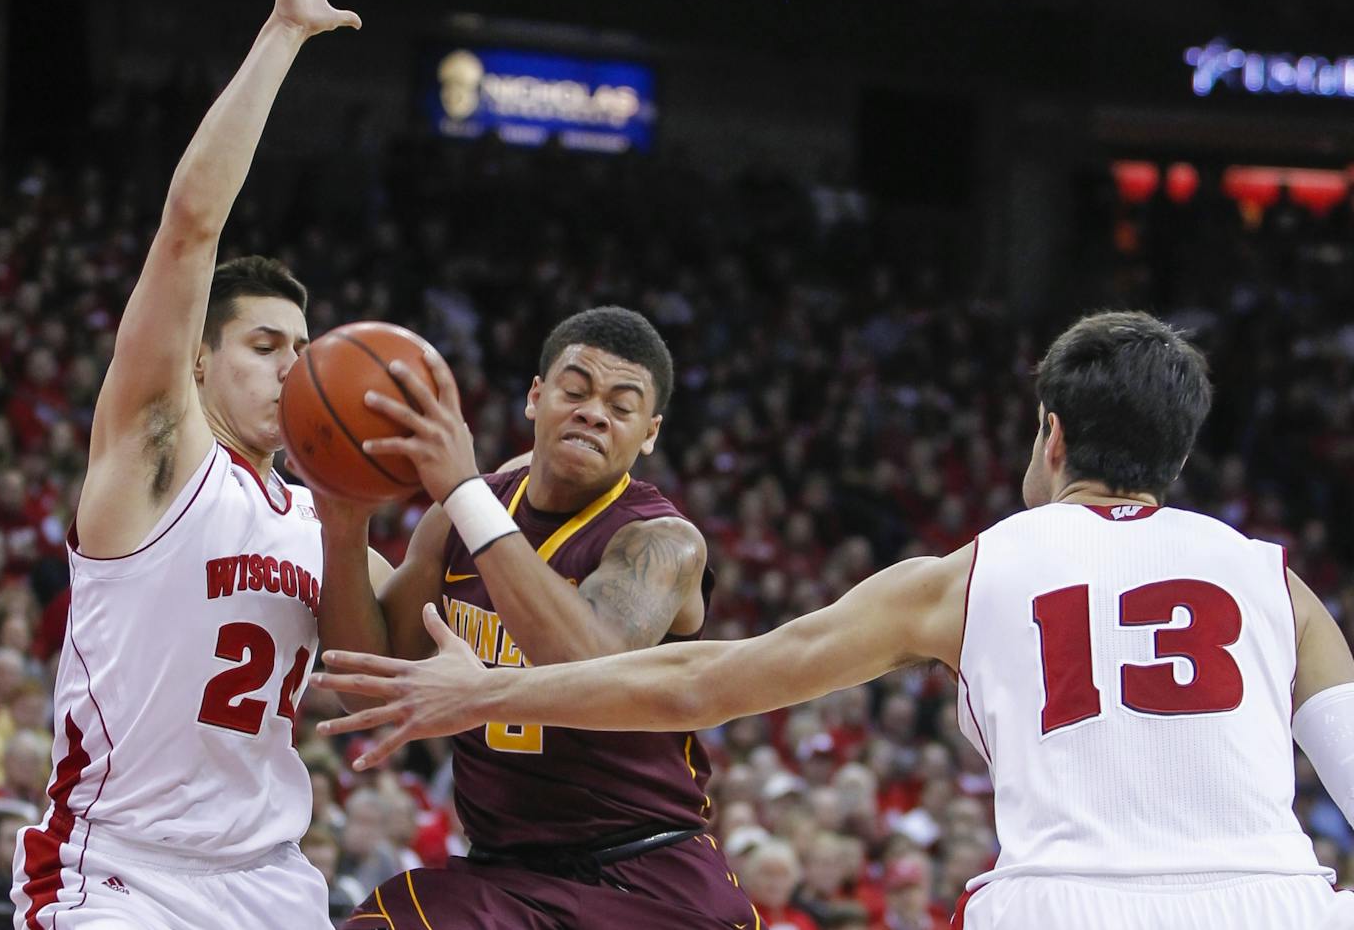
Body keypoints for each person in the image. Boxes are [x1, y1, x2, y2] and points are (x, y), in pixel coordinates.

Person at [315, 310, 1354, 930]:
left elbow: (694, 684)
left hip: (1060, 902)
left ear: (1048, 433)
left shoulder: (963, 572)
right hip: (1275, 903)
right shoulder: (1276, 583)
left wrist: (483, 688)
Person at [10, 0, 371, 930]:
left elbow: (394, 650)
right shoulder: (157, 451)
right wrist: (283, 34)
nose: (289, 371)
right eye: (263, 347)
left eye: (303, 352)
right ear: (200, 360)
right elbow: (189, 227)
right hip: (118, 869)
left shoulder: (320, 515)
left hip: (269, 875)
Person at [312, 305, 758, 928]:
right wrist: (345, 518)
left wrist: (465, 492)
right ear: (535, 397)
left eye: (622, 407)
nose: (594, 412)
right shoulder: (458, 517)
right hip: (507, 877)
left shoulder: (662, 543)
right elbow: (369, 688)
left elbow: (587, 674)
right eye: (575, 391)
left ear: (649, 434)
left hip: (648, 879)